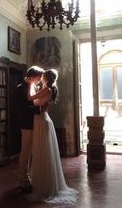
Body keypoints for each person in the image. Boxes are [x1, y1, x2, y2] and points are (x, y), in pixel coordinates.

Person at [26, 69, 78, 204]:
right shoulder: (47, 89)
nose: (41, 78)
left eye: (42, 76)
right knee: (42, 152)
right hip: (41, 120)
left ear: (46, 78)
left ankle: (45, 186)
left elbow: (30, 98)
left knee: (43, 152)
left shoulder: (47, 89)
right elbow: (35, 100)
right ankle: (44, 183)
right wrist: (33, 86)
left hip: (42, 121)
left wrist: (30, 84)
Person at [16, 66, 44, 192]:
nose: (39, 80)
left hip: (34, 123)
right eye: (39, 78)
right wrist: (39, 109)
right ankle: (23, 180)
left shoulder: (33, 86)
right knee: (25, 152)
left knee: (32, 152)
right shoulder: (21, 88)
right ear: (33, 76)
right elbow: (22, 108)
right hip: (26, 124)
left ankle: (29, 178)